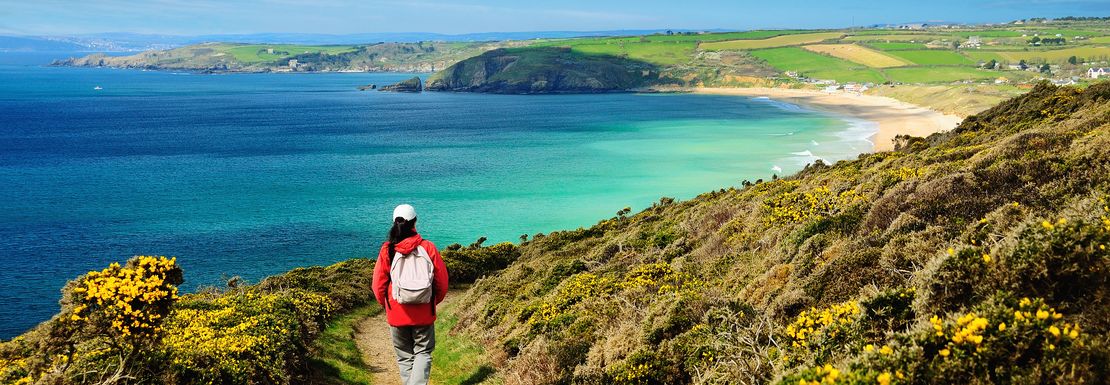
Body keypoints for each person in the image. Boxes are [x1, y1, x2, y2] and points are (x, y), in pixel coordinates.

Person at [372, 204, 449, 385]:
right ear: (415, 221)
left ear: (394, 222)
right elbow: (442, 282)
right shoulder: (428, 247)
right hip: (424, 312)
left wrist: (387, 305)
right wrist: (431, 301)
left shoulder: (387, 250)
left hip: (397, 312)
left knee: (405, 356)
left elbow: (378, 286)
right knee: (423, 352)